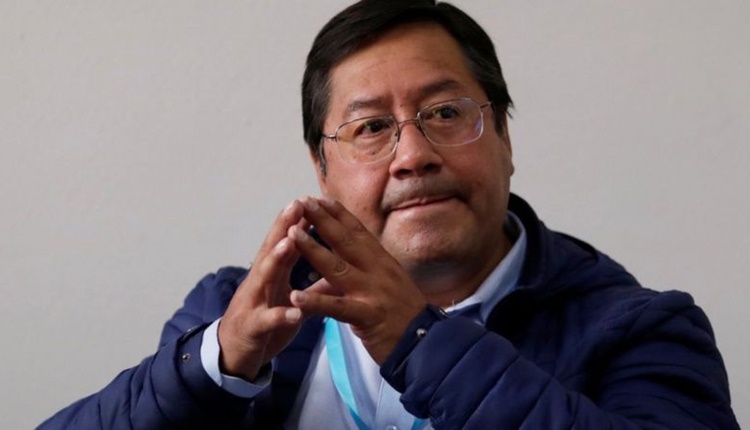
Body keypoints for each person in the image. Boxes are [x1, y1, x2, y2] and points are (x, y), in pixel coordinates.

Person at [40, 0, 739, 429]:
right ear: (322, 169)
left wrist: (416, 339)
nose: (413, 155)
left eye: (445, 113)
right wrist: (213, 366)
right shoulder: (234, 309)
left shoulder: (641, 329)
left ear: (505, 138)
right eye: (372, 127)